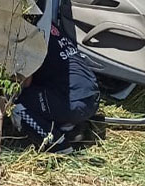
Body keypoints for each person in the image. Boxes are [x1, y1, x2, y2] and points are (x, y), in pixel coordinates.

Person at [10, 17, 101, 153]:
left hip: (73, 101)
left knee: (17, 106)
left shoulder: (25, 35)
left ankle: (58, 145)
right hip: (92, 95)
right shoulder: (48, 26)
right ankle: (70, 127)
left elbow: (25, 81)